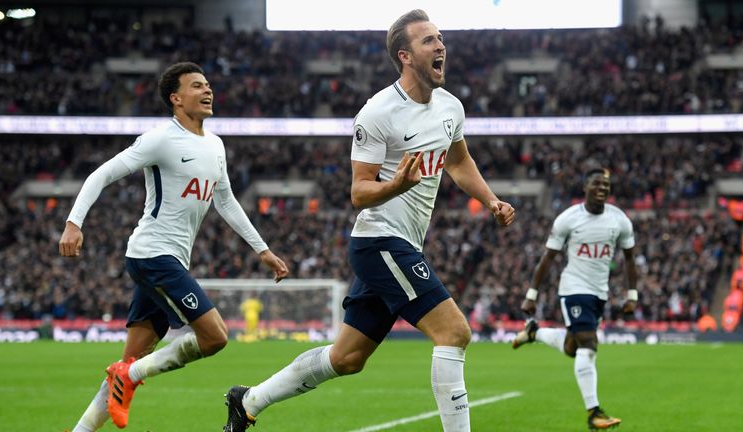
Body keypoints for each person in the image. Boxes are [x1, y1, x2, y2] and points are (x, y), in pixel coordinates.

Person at [222, 9, 515, 432]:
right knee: (454, 332)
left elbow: (459, 161)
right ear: (405, 56)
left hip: (403, 245)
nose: (440, 46)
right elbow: (359, 192)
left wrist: (490, 199)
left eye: (440, 38)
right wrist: (396, 185)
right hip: (380, 241)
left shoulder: (451, 107)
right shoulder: (377, 113)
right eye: (429, 41)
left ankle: (248, 401)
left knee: (347, 359)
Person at [59, 62, 290, 431]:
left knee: (128, 362)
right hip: (152, 254)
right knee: (215, 337)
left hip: (169, 260)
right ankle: (131, 375)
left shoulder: (215, 145)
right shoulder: (160, 139)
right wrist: (74, 223)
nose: (207, 90)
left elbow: (226, 201)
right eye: (197, 85)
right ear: (176, 98)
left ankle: (89, 420)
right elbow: (102, 174)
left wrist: (262, 250)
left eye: (208, 84)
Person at [512, 168, 638, 430]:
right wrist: (531, 295)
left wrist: (632, 295)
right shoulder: (568, 219)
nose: (602, 188)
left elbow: (629, 259)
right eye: (597, 184)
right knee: (589, 344)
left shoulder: (620, 220)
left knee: (572, 348)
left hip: (599, 293)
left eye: (606, 185)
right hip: (573, 289)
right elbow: (548, 258)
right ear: (585, 187)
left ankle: (533, 332)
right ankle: (594, 413)